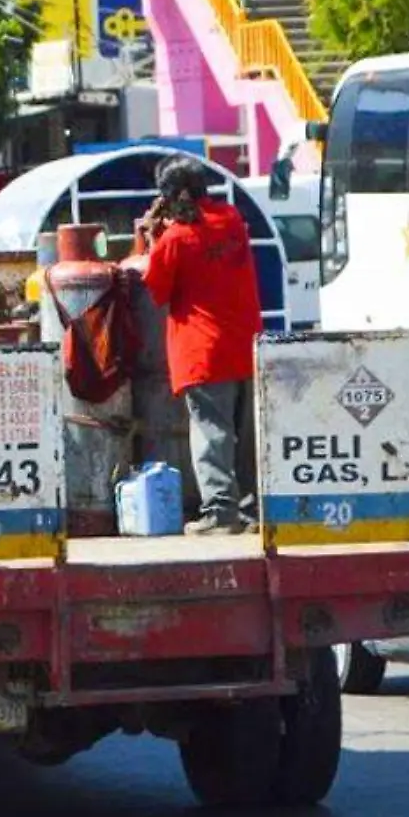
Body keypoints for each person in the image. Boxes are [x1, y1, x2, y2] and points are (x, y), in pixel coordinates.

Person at [142, 160, 263, 536]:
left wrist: (152, 237)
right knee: (245, 436)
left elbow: (157, 290)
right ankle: (252, 508)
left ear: (172, 196)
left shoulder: (176, 238)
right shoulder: (231, 218)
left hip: (203, 353)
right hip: (244, 345)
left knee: (212, 433)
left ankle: (220, 512)